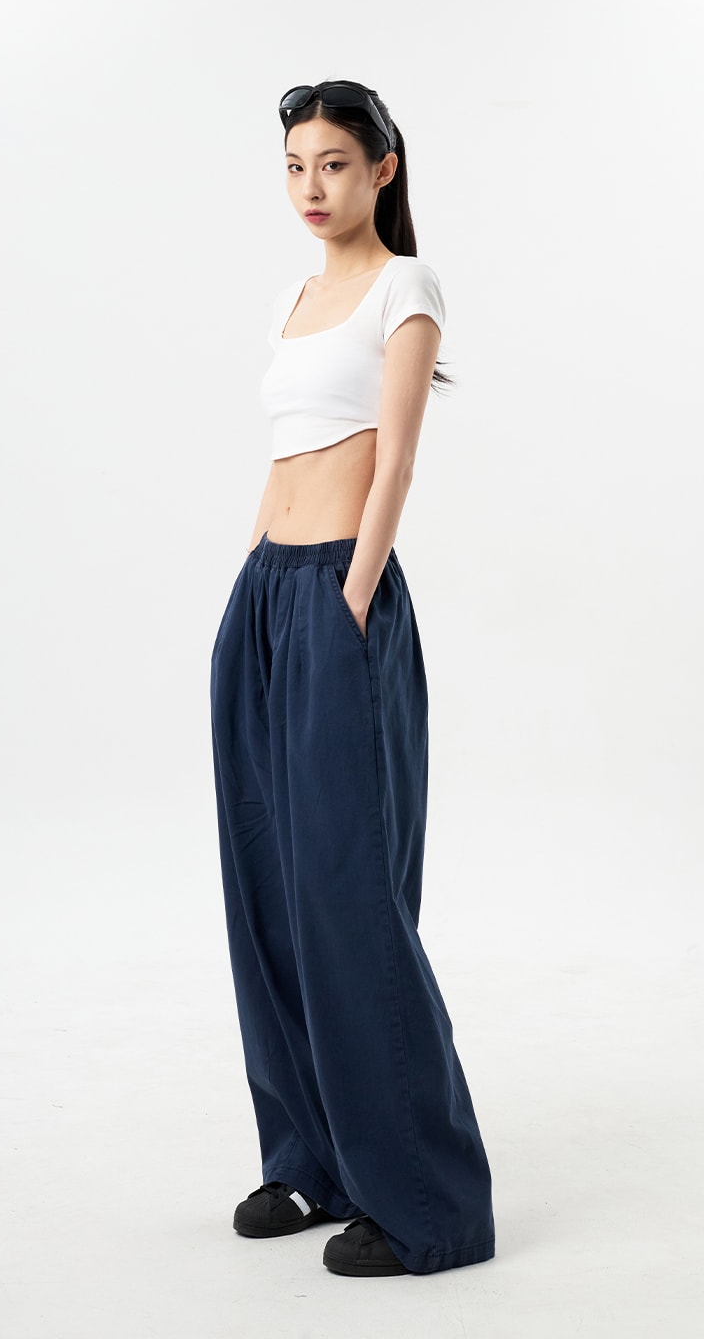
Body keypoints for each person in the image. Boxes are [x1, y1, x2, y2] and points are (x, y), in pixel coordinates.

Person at [209, 79, 495, 1278]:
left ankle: (430, 1202)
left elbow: (394, 461)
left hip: (339, 592)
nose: (311, 187)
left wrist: (353, 597)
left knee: (346, 893)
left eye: (332, 163)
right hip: (265, 592)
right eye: (294, 166)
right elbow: (283, 450)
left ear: (383, 168)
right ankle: (311, 1160)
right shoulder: (294, 296)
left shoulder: (401, 287)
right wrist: (255, 590)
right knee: (269, 888)